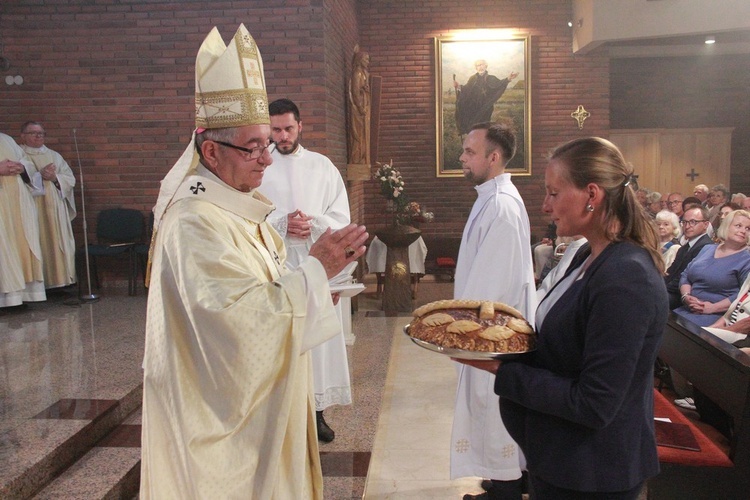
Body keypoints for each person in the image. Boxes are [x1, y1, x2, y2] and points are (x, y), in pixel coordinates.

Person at [139, 25, 368, 499]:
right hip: (219, 415)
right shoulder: (194, 221)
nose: (267, 159)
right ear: (210, 152)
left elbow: (264, 283)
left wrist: (316, 287)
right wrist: (315, 273)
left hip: (257, 404)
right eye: (254, 147)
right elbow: (237, 323)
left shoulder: (239, 199)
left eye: (270, 142)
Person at [462, 137, 668, 499]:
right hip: (560, 458)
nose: (545, 206)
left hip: (593, 471)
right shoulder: (587, 254)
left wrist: (502, 370)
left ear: (592, 194)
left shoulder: (625, 276)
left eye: (553, 193)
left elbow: (594, 403)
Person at [451, 122, 536, 500]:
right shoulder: (491, 195)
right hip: (488, 325)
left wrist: (464, 331)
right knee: (486, 403)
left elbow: (493, 281)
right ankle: (502, 474)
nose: (463, 157)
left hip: (493, 331)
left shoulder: (501, 204)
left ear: (493, 157)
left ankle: (506, 485)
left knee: (493, 403)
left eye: (470, 152)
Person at [263, 97, 352, 443]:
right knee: (285, 339)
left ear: (300, 126)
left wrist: (313, 223)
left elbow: (341, 216)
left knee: (316, 340)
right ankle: (283, 414)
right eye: (276, 130)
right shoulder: (260, 165)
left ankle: (317, 415)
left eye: (288, 128)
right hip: (276, 264)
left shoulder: (323, 167)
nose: (283, 136)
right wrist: (281, 224)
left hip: (317, 262)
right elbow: (244, 215)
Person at [19, 121, 77, 289]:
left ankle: (60, 283)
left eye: (41, 133)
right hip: (30, 206)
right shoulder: (19, 154)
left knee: (56, 241)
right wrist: (39, 175)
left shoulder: (54, 155)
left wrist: (54, 178)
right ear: (23, 136)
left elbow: (69, 178)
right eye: (33, 133)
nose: (38, 136)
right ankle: (37, 287)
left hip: (54, 208)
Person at [673, 210, 750, 327]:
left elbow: (743, 296)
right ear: (726, 226)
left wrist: (712, 308)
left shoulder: (746, 259)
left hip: (716, 316)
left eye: (748, 228)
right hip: (687, 308)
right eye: (738, 226)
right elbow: (686, 275)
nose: (743, 231)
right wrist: (686, 296)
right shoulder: (707, 249)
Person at [0, 132, 46, 307]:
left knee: (19, 245)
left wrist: (22, 168)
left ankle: (17, 297)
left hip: (17, 206)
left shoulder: (6, 139)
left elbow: (27, 162)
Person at [664, 206, 713, 309]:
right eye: (685, 222)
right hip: (672, 291)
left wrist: (661, 289)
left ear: (705, 224)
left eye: (693, 222)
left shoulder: (707, 247)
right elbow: (670, 272)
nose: (687, 226)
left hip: (687, 295)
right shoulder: (685, 248)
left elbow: (687, 277)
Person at [453, 60, 518, 136]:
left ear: (486, 66)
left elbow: (499, 85)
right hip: (473, 107)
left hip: (486, 107)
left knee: (483, 126)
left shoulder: (491, 78)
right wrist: (458, 86)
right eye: (478, 65)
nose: (480, 67)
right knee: (473, 126)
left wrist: (508, 78)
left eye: (481, 65)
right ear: (476, 68)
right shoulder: (472, 78)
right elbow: (466, 89)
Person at [347, 45, 370, 165]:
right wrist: (360, 108)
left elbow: (362, 90)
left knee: (363, 136)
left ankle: (361, 159)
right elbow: (355, 92)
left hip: (363, 109)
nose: (368, 62)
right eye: (366, 59)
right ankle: (356, 159)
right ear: (360, 60)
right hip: (358, 109)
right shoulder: (357, 74)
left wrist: (366, 89)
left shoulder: (363, 74)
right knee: (358, 136)